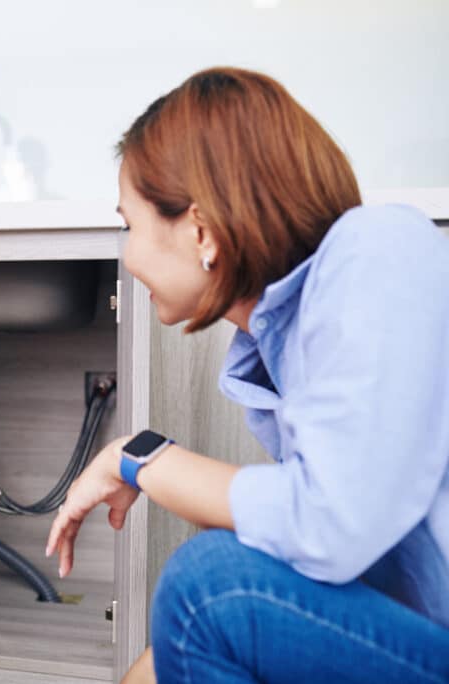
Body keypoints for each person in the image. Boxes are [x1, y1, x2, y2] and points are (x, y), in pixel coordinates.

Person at [46, 67, 449, 683]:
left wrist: (139, 458)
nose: (127, 255)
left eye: (131, 225)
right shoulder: (280, 339)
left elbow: (329, 525)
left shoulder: (379, 251)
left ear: (201, 230)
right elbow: (300, 542)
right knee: (155, 666)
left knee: (209, 588)